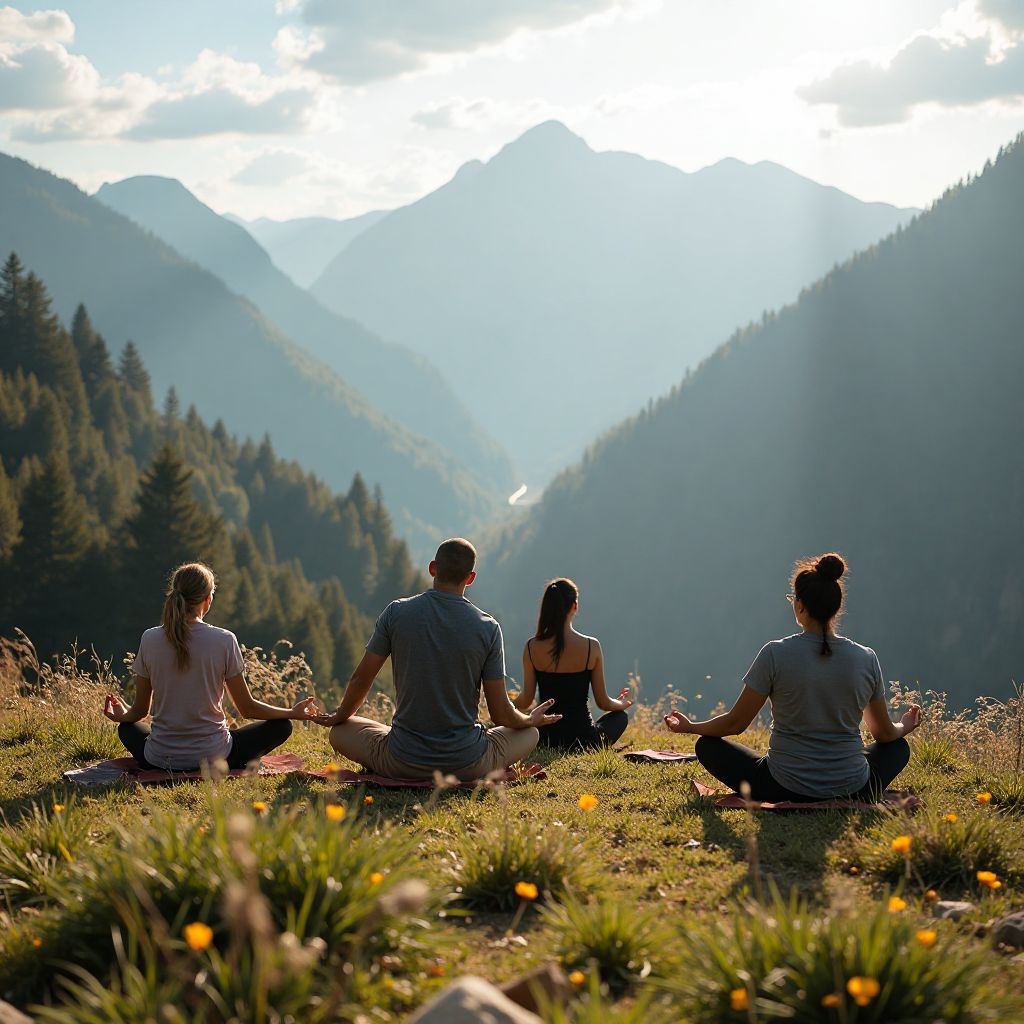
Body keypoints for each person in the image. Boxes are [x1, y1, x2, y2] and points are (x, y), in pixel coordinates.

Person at [664, 553, 921, 801]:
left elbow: (735, 724)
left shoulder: (775, 654)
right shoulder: (866, 658)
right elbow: (885, 734)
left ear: (799, 605)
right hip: (853, 787)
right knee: (897, 748)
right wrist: (906, 725)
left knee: (707, 746)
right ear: (836, 607)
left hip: (779, 786)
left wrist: (691, 727)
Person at [312, 538, 560, 780]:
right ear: (471, 578)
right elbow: (500, 712)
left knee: (340, 731)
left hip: (400, 761)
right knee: (530, 734)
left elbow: (361, 678)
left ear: (433, 568)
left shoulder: (396, 612)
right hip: (468, 764)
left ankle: (399, 747)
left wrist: (340, 714)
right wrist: (528, 719)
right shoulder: (488, 627)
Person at [103, 562, 316, 771]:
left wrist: (123, 715)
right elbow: (247, 708)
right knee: (282, 726)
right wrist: (292, 712)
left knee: (127, 729)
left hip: (159, 758)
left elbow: (140, 711)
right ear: (207, 599)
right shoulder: (224, 640)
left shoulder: (150, 638)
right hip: (216, 756)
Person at [513, 578, 632, 751]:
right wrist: (622, 704)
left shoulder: (532, 647)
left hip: (546, 739)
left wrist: (505, 705)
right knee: (620, 717)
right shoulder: (592, 646)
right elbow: (604, 703)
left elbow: (525, 701)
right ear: (574, 606)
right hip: (585, 740)